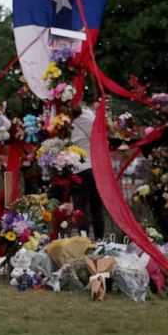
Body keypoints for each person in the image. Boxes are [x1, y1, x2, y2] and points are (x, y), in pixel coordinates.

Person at [70, 103, 105, 240]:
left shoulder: (65, 121)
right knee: (97, 208)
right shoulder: (90, 115)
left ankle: (83, 241)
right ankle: (99, 241)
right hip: (96, 168)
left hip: (79, 169)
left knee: (81, 209)